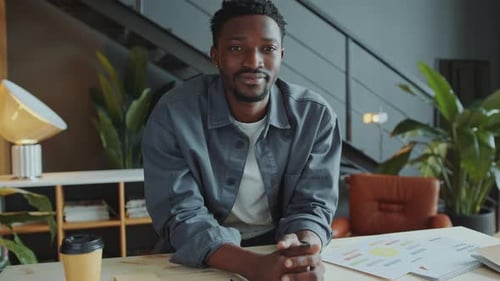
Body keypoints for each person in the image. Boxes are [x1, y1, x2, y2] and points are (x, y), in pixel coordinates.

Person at [142, 0, 342, 280]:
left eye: (268, 49)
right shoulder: (174, 114)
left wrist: (302, 251)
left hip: (279, 245)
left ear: (281, 55)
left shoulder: (315, 116)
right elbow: (182, 215)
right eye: (237, 48)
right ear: (216, 56)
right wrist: (254, 266)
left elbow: (313, 205)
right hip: (202, 257)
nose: (253, 62)